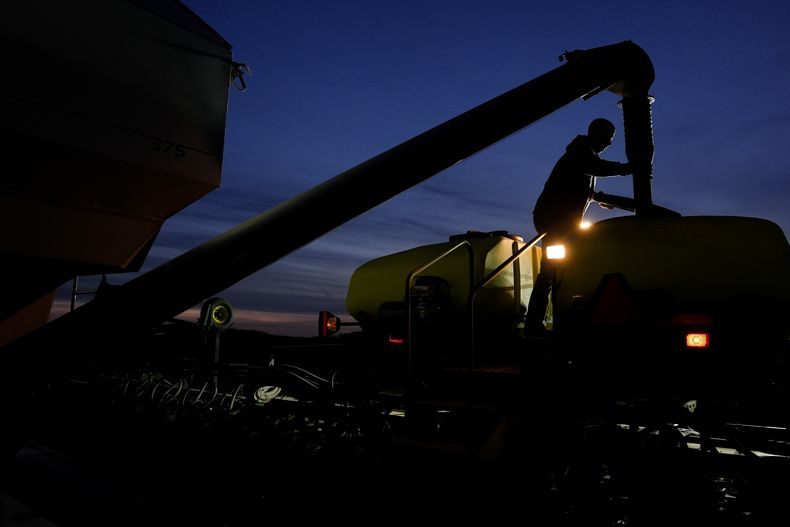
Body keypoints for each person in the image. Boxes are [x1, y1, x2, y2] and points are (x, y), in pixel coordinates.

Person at [524, 118, 632, 336]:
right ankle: (536, 326)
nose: (609, 143)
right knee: (550, 273)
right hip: (553, 222)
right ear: (594, 133)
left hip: (561, 223)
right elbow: (595, 168)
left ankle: (544, 323)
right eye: (607, 138)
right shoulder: (580, 153)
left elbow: (581, 188)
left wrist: (602, 199)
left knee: (556, 272)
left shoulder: (584, 156)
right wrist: (627, 169)